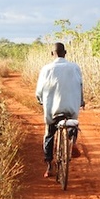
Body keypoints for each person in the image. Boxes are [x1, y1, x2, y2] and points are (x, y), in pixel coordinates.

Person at [35, 42, 84, 178]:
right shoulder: (75, 67)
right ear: (65, 53)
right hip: (71, 108)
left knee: (49, 133)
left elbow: (39, 91)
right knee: (73, 124)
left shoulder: (46, 69)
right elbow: (80, 86)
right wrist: (81, 101)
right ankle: (72, 141)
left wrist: (40, 100)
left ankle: (49, 165)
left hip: (53, 110)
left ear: (52, 53)